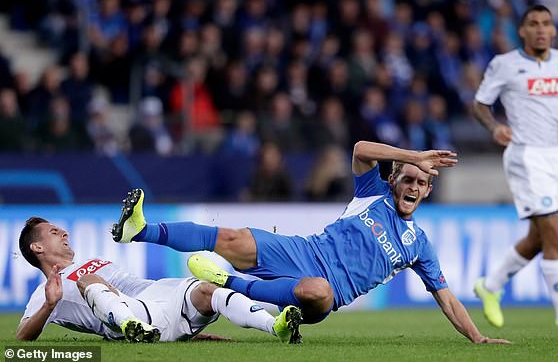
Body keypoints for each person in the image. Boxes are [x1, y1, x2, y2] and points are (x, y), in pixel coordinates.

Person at [112, 140, 509, 344]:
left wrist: (477, 337)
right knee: (232, 236)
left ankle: (226, 283)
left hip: (325, 293)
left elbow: (447, 297)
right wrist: (413, 155)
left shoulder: (418, 244)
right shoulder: (373, 193)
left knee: (315, 290)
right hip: (301, 250)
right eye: (408, 178)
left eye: (420, 183)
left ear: (426, 193)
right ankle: (141, 230)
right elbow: (360, 150)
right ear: (393, 180)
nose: (414, 186)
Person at [471, 4, 558, 330]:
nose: (540, 29)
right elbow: (480, 104)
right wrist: (494, 127)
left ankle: (490, 286)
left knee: (540, 238)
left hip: (557, 155)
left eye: (546, 24)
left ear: (554, 30)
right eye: (533, 24)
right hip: (525, 155)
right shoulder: (505, 65)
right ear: (522, 31)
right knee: (556, 229)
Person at [16, 217, 302, 343]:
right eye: (54, 232)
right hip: (124, 317)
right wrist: (48, 306)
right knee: (90, 279)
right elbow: (21, 338)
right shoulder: (47, 291)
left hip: (157, 299)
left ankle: (275, 327)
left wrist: (190, 335)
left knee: (207, 290)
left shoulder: (90, 261)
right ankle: (131, 326)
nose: (64, 233)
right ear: (37, 248)